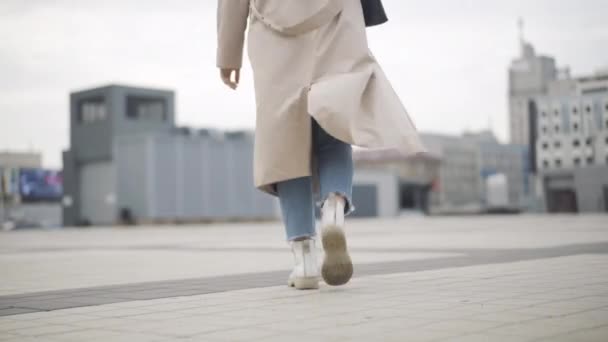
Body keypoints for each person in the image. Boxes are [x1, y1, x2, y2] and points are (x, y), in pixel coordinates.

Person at [217, 0, 426, 289]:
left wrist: (228, 54)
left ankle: (304, 262)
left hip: (272, 27)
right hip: (337, 18)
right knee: (335, 117)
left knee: (284, 138)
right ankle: (333, 207)